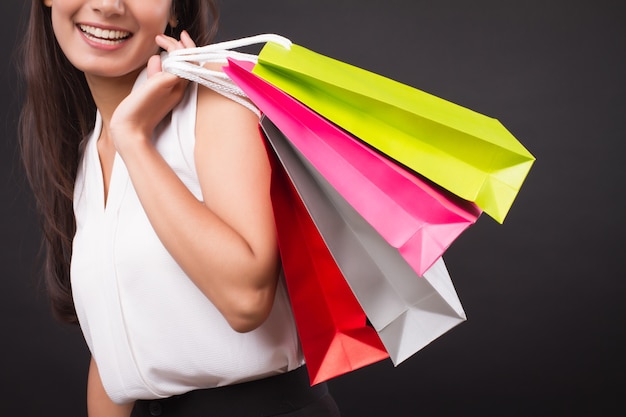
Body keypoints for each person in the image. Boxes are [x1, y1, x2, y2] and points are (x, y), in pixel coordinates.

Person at [19, 1, 341, 416]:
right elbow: (116, 351)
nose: (106, 5)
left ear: (176, 10)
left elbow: (247, 300)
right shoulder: (90, 152)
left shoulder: (216, 100)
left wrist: (134, 140)